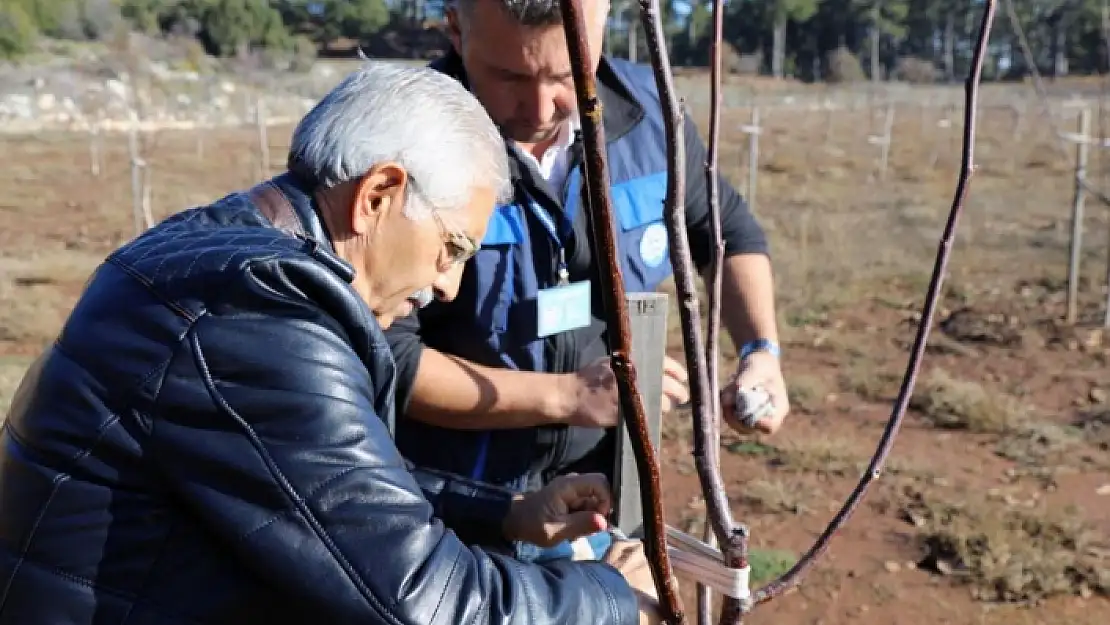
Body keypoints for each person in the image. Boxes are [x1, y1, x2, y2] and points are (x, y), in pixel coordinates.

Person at [0, 61, 663, 625]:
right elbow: (422, 602)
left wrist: (507, 513)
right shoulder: (257, 312)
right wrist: (610, 596)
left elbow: (325, 477)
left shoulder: (219, 255)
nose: (448, 284)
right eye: (452, 246)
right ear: (377, 196)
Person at [384, 0, 790, 537]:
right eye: (508, 75)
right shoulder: (398, 145)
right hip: (449, 507)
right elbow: (386, 357)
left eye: (567, 74)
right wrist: (566, 397)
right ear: (456, 29)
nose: (540, 106)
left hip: (604, 494)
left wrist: (760, 352)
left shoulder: (653, 118)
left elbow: (727, 235)